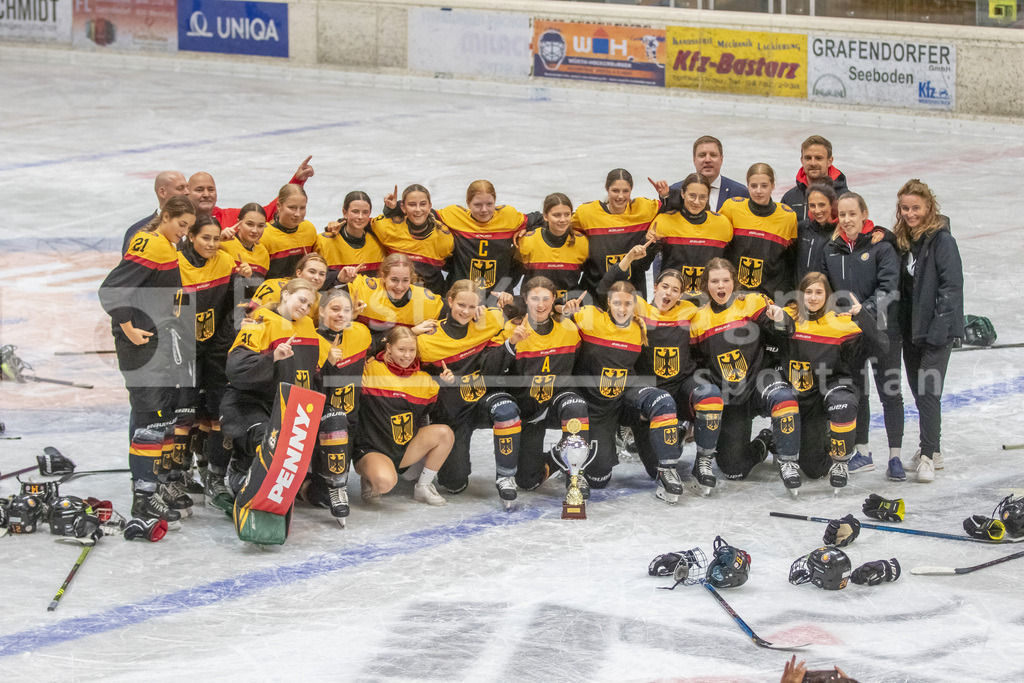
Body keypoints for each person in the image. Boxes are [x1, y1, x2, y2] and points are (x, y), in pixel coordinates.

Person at [99, 195, 196, 523]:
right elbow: (111, 289)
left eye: (189, 228)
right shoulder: (150, 244)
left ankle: (152, 489)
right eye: (181, 224)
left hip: (160, 343)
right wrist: (127, 327)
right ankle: (143, 499)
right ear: (165, 216)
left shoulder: (166, 245)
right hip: (144, 347)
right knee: (150, 422)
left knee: (161, 419)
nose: (184, 233)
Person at [221, 278, 352, 522]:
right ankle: (240, 474)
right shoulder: (259, 321)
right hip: (254, 403)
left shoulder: (307, 326)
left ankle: (335, 487)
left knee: (335, 418)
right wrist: (272, 357)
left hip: (296, 405)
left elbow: (316, 373)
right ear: (285, 295)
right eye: (301, 300)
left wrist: (330, 362)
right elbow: (235, 368)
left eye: (309, 305)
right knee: (271, 440)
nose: (305, 307)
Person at [601, 243, 723, 498]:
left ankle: (703, 462)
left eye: (675, 290)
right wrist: (627, 259)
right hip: (647, 392)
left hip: (681, 386)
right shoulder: (638, 307)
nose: (669, 293)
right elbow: (606, 289)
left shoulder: (690, 311)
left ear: (681, 294)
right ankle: (665, 457)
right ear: (655, 287)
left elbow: (721, 309)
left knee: (710, 394)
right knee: (653, 467)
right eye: (665, 287)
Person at [561, 281, 683, 497]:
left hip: (626, 395)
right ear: (608, 302)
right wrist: (564, 311)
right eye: (617, 303)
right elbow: (553, 319)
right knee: (599, 479)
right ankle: (576, 453)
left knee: (662, 400)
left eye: (628, 303)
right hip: (596, 406)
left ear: (634, 305)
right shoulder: (589, 317)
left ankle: (667, 469)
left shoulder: (639, 328)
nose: (622, 308)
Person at [688, 258, 800, 492]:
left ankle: (788, 461)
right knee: (733, 468)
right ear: (705, 285)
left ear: (734, 282)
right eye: (715, 281)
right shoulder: (697, 320)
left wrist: (780, 318)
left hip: (760, 382)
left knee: (783, 398)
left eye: (726, 280)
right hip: (731, 396)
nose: (721, 286)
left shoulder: (753, 302)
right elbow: (697, 364)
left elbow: (786, 333)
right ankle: (765, 441)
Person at [416, 280, 525, 504]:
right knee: (454, 485)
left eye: (472, 306)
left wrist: (507, 302)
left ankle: (505, 477)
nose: (466, 312)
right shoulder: (428, 339)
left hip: (484, 401)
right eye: (461, 305)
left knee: (506, 410)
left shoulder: (491, 319)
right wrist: (437, 381)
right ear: (450, 301)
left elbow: (529, 307)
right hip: (454, 414)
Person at [821, 193, 904, 481]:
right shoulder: (831, 249)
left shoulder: (882, 247)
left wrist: (862, 311)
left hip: (883, 331)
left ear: (864, 214)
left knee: (890, 393)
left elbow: (888, 288)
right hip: (850, 335)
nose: (847, 220)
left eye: (852, 214)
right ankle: (863, 452)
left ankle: (895, 456)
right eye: (842, 215)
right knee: (859, 393)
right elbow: (825, 289)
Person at [176, 216, 253, 511]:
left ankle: (215, 476)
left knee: (220, 413)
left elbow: (236, 306)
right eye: (205, 238)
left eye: (216, 239)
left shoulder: (226, 262)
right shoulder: (176, 264)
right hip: (184, 351)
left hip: (216, 350)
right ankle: (177, 474)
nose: (211, 244)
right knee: (184, 414)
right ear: (191, 236)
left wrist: (243, 281)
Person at [783, 272, 886, 490]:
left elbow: (882, 346)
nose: (813, 297)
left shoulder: (840, 322)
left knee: (843, 404)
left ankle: (841, 461)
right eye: (808, 292)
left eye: (818, 292)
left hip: (835, 387)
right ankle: (824, 439)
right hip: (806, 397)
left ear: (827, 295)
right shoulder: (789, 317)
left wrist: (863, 316)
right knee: (813, 469)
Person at [894, 179, 963, 483]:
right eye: (905, 208)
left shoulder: (942, 241)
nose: (910, 214)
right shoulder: (903, 240)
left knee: (928, 391)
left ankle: (928, 455)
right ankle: (932, 450)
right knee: (919, 392)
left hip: (936, 331)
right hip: (911, 330)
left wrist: (939, 328)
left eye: (916, 208)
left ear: (929, 207)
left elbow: (952, 286)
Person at [500, 276, 590, 493]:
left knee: (576, 406)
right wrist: (511, 343)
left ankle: (575, 474)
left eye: (545, 299)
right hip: (529, 410)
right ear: (525, 299)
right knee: (527, 481)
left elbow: (579, 364)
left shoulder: (569, 329)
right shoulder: (511, 329)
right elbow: (495, 369)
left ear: (553, 301)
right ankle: (559, 454)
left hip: (558, 401)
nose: (540, 305)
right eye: (534, 299)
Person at [354, 327, 454, 506]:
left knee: (445, 433)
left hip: (404, 449)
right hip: (372, 448)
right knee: (384, 483)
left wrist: (447, 387)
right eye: (401, 349)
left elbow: (441, 413)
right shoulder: (371, 368)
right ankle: (370, 476)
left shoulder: (424, 380)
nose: (407, 355)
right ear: (389, 348)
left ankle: (423, 487)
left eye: (411, 350)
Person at [298, 289, 373, 521]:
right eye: (335, 309)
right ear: (321, 311)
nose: (341, 315)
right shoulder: (310, 341)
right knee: (321, 497)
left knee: (324, 493)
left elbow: (384, 345)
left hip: (351, 421)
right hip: (319, 423)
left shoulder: (361, 333)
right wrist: (327, 365)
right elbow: (307, 390)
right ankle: (306, 484)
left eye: (346, 310)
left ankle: (322, 484)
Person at [572, 168, 669, 298]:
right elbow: (560, 225)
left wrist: (665, 196)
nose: (621, 196)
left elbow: (672, 209)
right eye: (615, 190)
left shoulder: (644, 209)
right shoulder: (587, 213)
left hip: (632, 292)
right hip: (595, 290)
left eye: (626, 191)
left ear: (631, 190)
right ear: (606, 188)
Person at [438, 180, 529, 300]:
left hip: (498, 297)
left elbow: (541, 219)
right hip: (460, 297)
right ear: (468, 203)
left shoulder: (508, 217)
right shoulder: (454, 216)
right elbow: (423, 216)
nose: (484, 210)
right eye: (478, 205)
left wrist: (525, 229)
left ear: (495, 201)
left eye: (489, 204)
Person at [721, 163, 798, 302]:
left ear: (773, 186)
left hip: (770, 297)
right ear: (747, 186)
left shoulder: (787, 217)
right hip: (735, 296)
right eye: (753, 186)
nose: (758, 191)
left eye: (764, 186)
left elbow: (790, 259)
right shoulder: (731, 208)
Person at [648, 172, 733, 296]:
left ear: (708, 196)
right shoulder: (663, 221)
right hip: (673, 299)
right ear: (682, 194)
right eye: (692, 196)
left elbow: (729, 264)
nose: (697, 202)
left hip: (709, 300)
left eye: (702, 197)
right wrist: (649, 243)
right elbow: (644, 263)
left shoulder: (722, 224)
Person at [339, 253, 443, 342]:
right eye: (394, 280)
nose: (400, 286)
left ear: (411, 279)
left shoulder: (425, 301)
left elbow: (452, 309)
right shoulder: (363, 290)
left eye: (405, 280)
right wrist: (339, 280)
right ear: (383, 277)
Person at [374, 184, 454, 295]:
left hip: (432, 299)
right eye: (412, 205)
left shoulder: (443, 237)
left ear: (430, 206)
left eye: (423, 204)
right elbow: (359, 223)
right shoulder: (387, 228)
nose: (418, 209)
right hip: (395, 297)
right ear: (403, 207)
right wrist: (390, 210)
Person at [186, 155, 315, 224]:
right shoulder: (180, 222)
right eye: (199, 190)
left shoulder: (231, 217)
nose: (206, 194)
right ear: (187, 193)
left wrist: (297, 181)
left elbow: (267, 213)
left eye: (211, 189)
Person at [514, 193, 589, 304]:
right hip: (535, 307)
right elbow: (511, 277)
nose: (563, 219)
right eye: (557, 215)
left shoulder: (582, 242)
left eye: (567, 214)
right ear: (545, 216)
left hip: (568, 308)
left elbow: (589, 279)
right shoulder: (528, 241)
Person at [317, 190, 386, 288]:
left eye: (365, 212)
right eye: (355, 211)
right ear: (344, 212)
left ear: (370, 213)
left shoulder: (378, 241)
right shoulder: (324, 242)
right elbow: (314, 280)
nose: (360, 217)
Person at [780, 135, 850, 222]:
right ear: (802, 160)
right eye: (808, 158)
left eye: (818, 158)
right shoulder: (789, 198)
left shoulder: (844, 198)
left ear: (829, 161)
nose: (813, 163)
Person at [669, 135, 748, 211]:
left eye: (713, 155)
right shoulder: (674, 191)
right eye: (702, 155)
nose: (708, 160)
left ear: (721, 159)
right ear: (694, 160)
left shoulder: (740, 192)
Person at [250, 253, 328, 324]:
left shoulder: (321, 301)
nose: (317, 277)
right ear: (299, 273)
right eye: (312, 272)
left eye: (322, 274)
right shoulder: (272, 286)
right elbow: (250, 316)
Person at [122, 170, 188, 254]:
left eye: (187, 188)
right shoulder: (137, 231)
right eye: (180, 188)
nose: (187, 192)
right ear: (162, 192)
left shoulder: (198, 229)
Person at [261, 184, 319, 279]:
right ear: (279, 206)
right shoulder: (264, 234)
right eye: (292, 208)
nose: (297, 214)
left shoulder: (309, 229)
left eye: (302, 208)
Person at [796, 183, 837, 282]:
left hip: (826, 290)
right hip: (801, 289)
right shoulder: (801, 228)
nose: (817, 211)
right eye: (812, 205)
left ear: (831, 204)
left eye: (822, 205)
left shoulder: (839, 232)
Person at [219, 202, 271, 280]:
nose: (255, 230)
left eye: (260, 226)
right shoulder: (224, 244)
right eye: (250, 224)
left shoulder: (263, 252)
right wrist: (217, 238)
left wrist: (250, 276)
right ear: (238, 223)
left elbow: (260, 283)